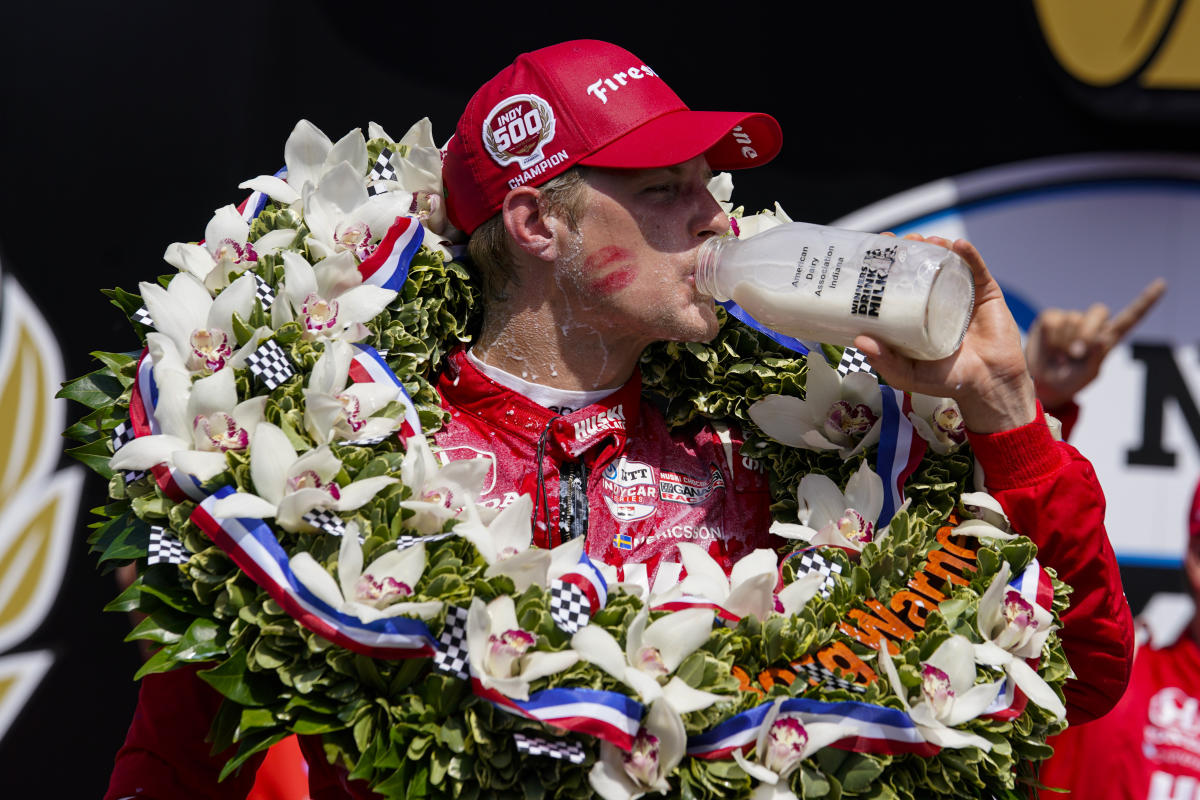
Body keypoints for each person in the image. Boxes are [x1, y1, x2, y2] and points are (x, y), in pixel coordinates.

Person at [105, 39, 1135, 799]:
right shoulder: (344, 448)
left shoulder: (771, 448)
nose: (716, 218)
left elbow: (1083, 671)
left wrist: (1002, 408)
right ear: (537, 221)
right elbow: (175, 764)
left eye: (709, 185)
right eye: (664, 190)